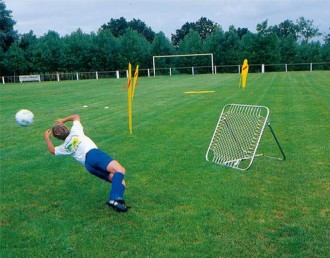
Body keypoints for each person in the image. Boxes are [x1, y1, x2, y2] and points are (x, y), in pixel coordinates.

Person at [44, 114, 128, 212]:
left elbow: (53, 150)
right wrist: (63, 120)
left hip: (88, 166)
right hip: (93, 154)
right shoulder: (76, 131)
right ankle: (114, 198)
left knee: (120, 182)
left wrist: (47, 138)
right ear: (66, 128)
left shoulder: (65, 147)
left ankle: (116, 202)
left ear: (58, 138)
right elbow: (76, 116)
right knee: (120, 170)